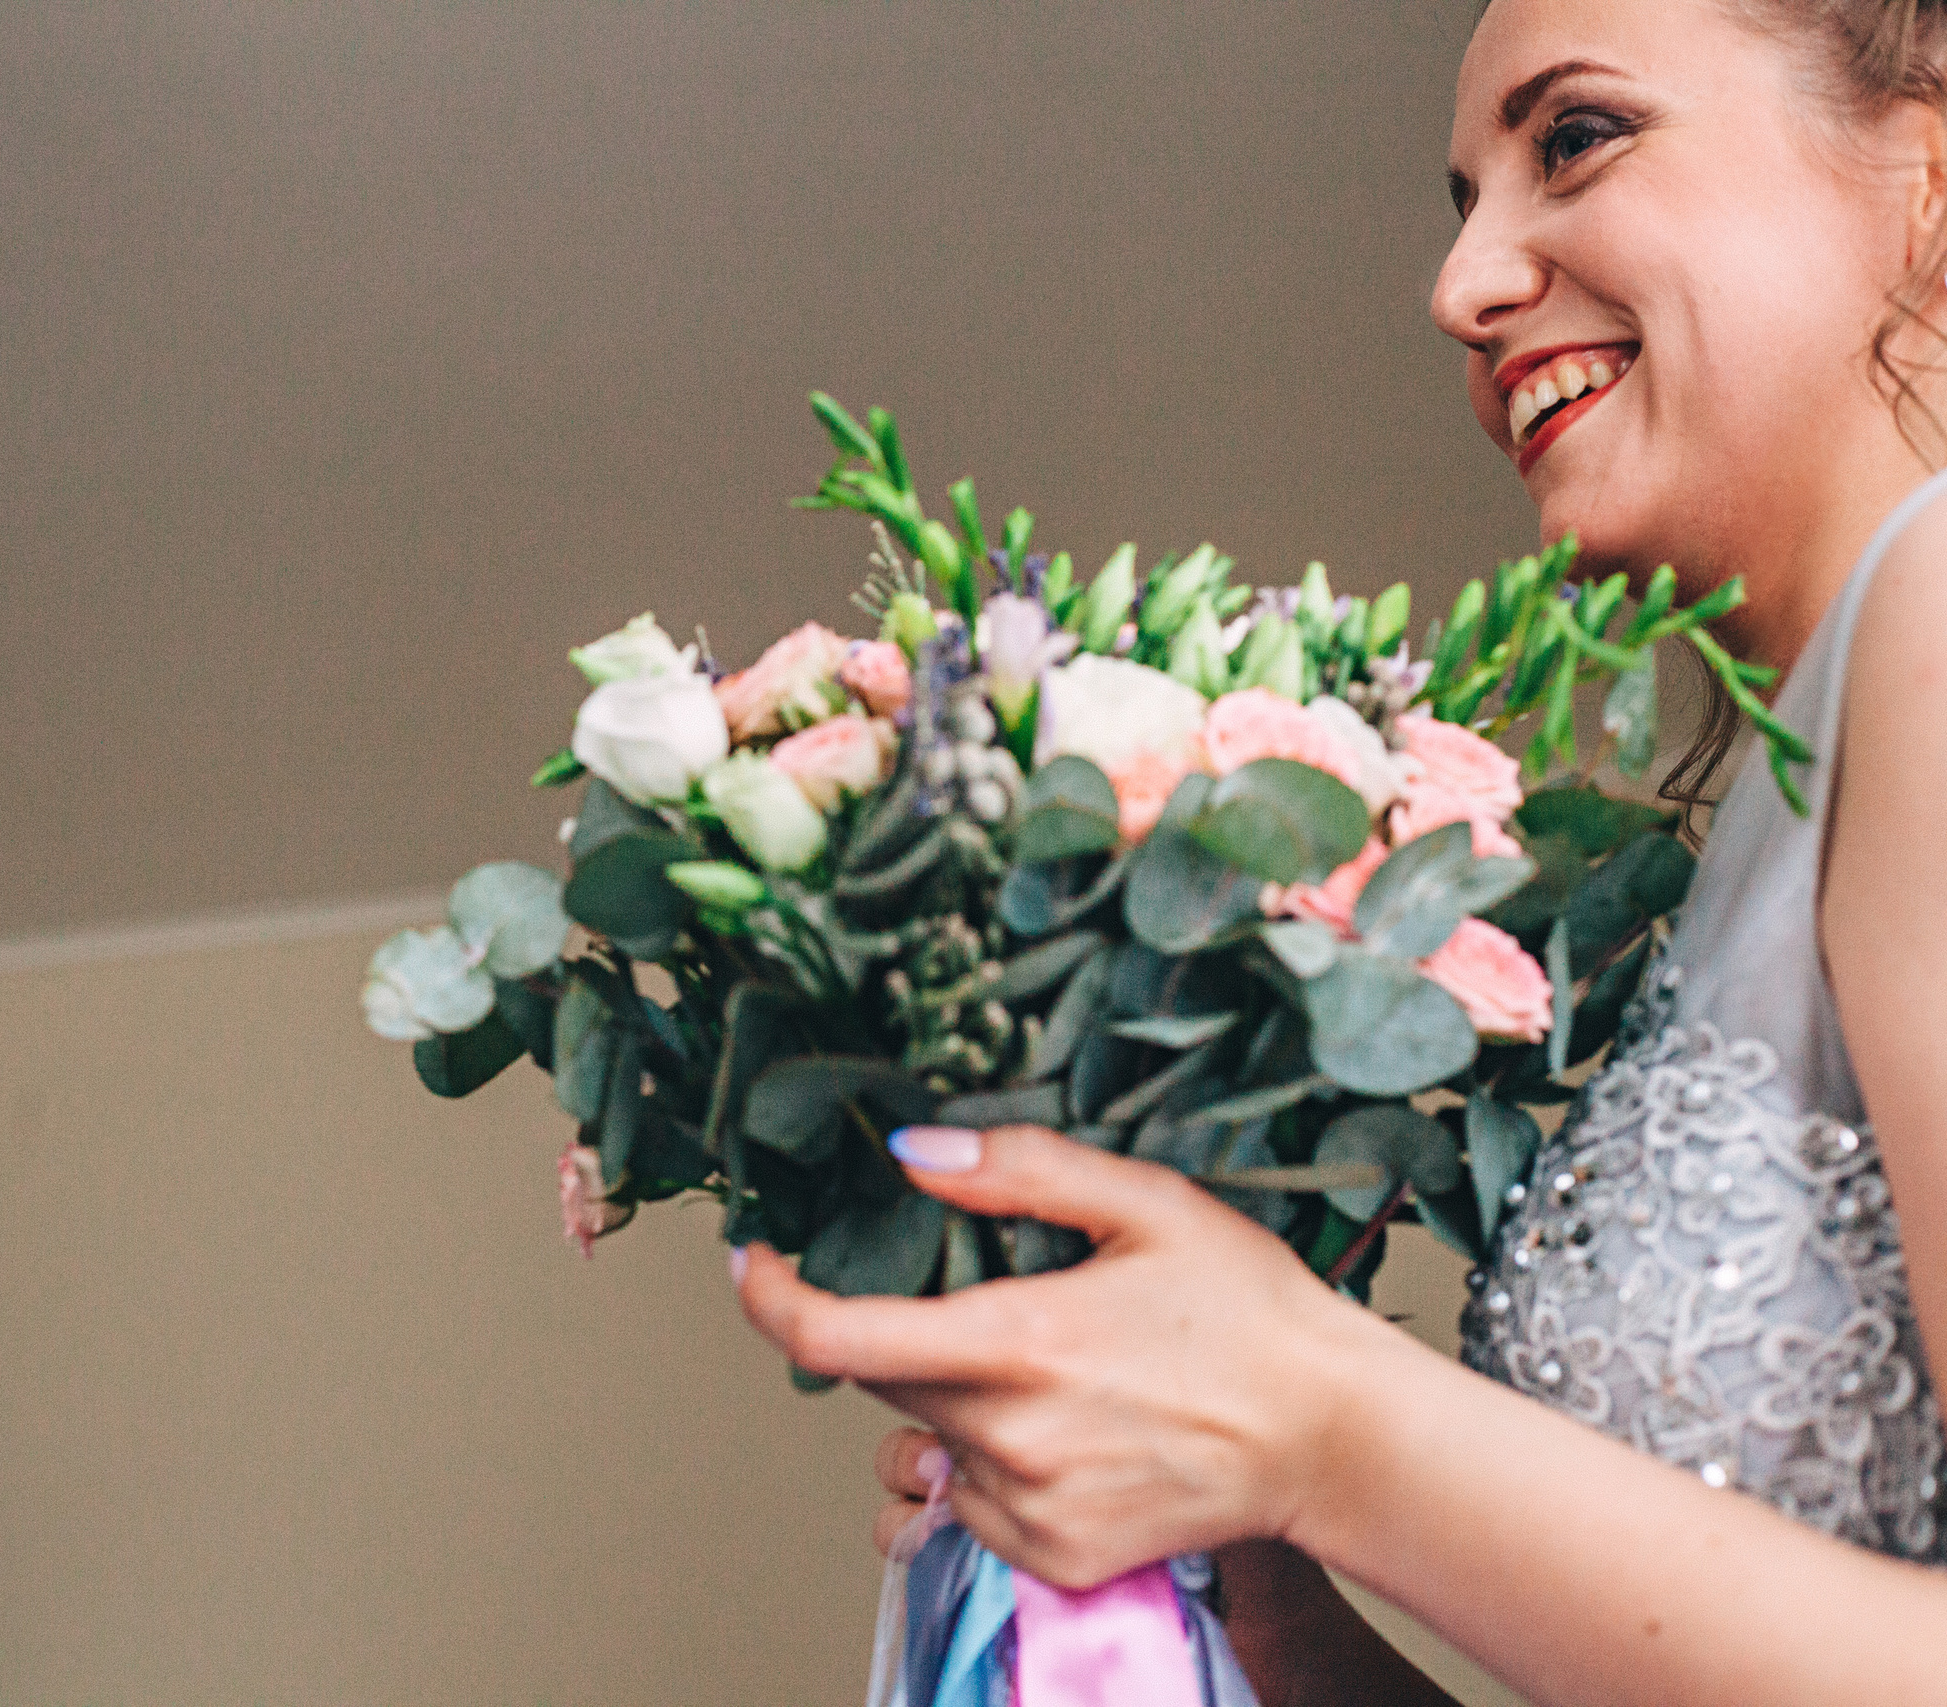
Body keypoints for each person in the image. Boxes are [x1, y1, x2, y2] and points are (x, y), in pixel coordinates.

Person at [736, 0, 1947, 1700]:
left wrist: (1320, 1419)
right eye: (1465, 202)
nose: (1462, 289)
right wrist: (1264, 1588)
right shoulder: (1780, 795)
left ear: (1927, 164)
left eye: (1576, 138)